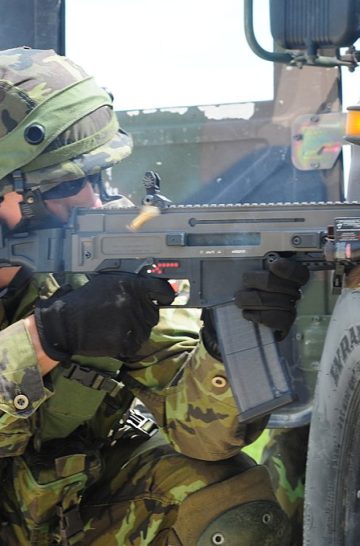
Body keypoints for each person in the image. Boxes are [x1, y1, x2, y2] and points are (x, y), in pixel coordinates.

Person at [0, 46, 309, 546]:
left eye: (98, 176)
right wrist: (46, 337)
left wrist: (226, 341)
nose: (95, 201)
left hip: (53, 510)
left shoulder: (93, 251)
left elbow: (202, 438)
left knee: (226, 504)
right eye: (64, 185)